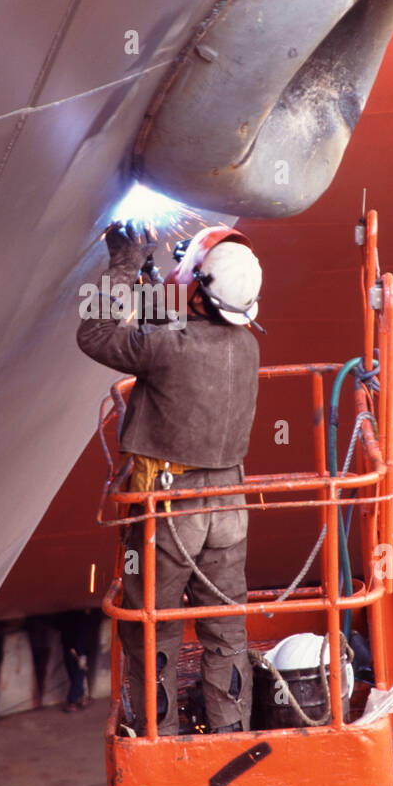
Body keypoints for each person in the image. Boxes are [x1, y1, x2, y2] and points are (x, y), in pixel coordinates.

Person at [76, 219, 262, 735]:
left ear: (198, 288)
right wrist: (153, 276)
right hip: (229, 504)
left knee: (151, 628)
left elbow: (96, 332)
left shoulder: (168, 347)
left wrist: (122, 267)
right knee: (226, 630)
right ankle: (230, 734)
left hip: (170, 508)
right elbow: (177, 325)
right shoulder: (246, 346)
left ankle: (159, 737)